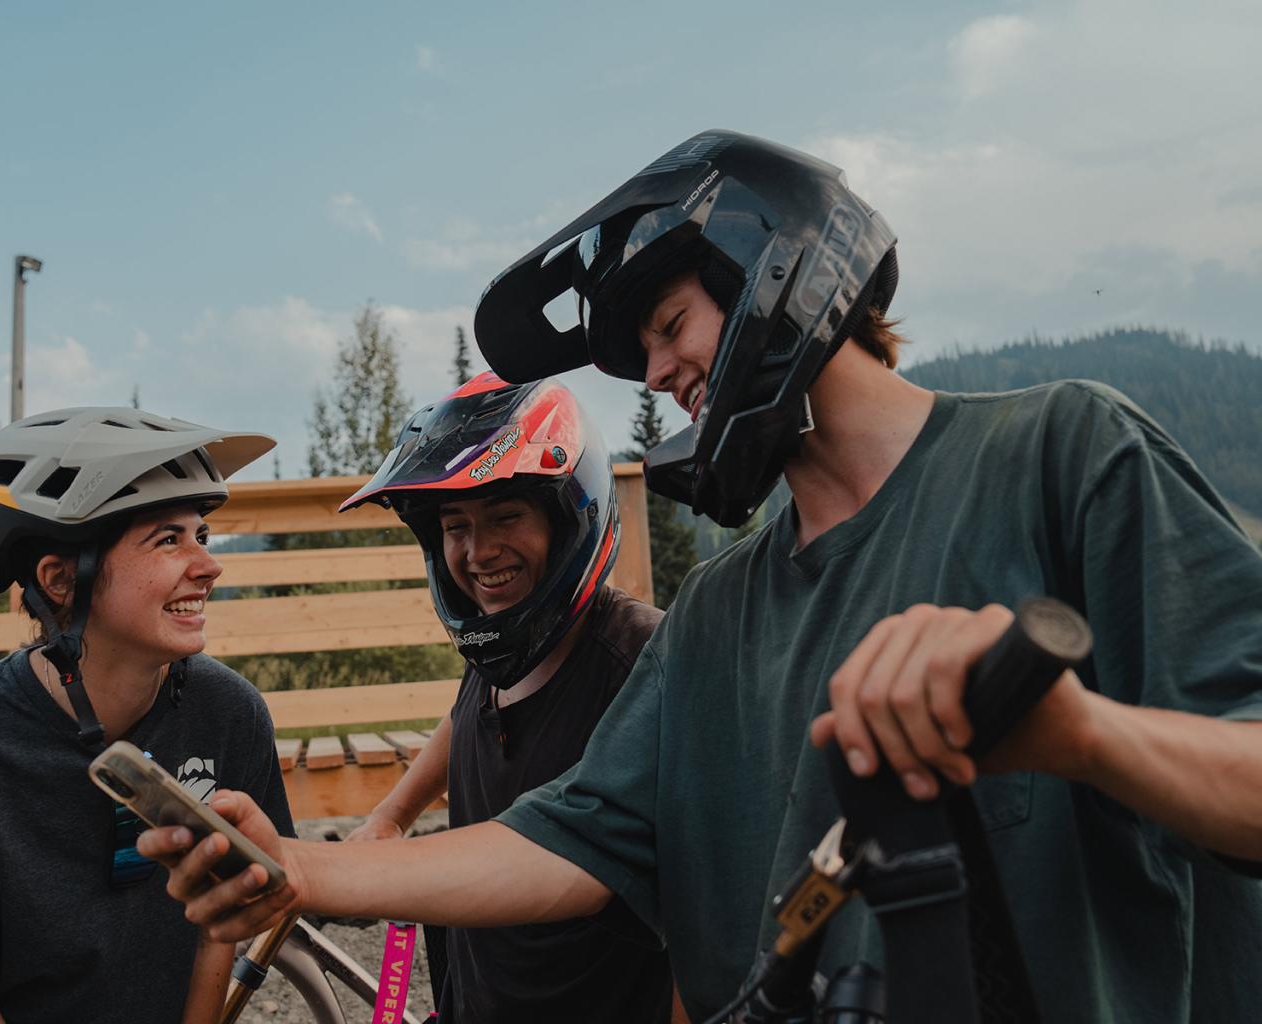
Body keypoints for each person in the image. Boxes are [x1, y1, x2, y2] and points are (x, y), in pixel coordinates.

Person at [140, 133, 1262, 1021]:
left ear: (787, 271)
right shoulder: (719, 612)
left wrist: (1076, 734)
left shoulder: (1062, 456)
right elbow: (565, 839)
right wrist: (298, 867)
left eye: (672, 326)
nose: (663, 373)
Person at [0, 407, 296, 1024]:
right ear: (61, 579)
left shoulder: (228, 716)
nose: (208, 565)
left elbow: (219, 927)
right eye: (168, 539)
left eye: (199, 535)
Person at [337, 371, 674, 1023]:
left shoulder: (639, 659)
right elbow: (467, 719)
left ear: (569, 514)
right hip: (483, 993)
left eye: (505, 516)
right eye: (455, 526)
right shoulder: (505, 642)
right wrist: (392, 814)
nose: (478, 550)